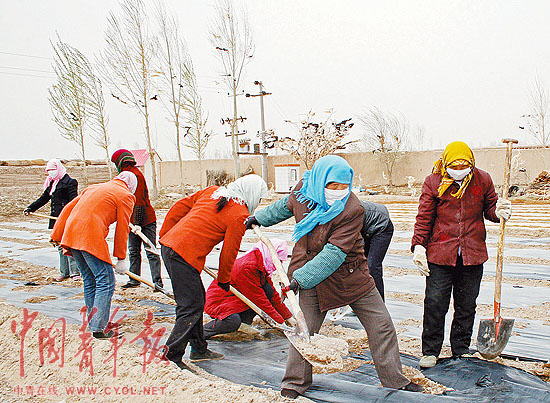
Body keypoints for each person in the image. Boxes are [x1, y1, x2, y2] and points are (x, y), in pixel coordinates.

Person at [246, 155, 422, 399]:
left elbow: (334, 254)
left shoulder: (352, 209)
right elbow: (285, 206)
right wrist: (258, 219)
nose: (339, 192)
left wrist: (300, 279)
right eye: (333, 186)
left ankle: (395, 380)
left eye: (344, 186)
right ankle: (295, 383)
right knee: (303, 330)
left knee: (381, 325)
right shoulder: (303, 191)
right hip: (308, 271)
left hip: (350, 275)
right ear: (320, 181)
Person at [411, 141, 512, 368]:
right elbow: (424, 217)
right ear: (446, 163)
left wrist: (500, 210)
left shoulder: (482, 179)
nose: (459, 169)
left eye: (464, 164)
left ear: (471, 164)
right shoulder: (433, 182)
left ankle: (461, 348)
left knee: (467, 304)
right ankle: (430, 351)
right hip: (440, 254)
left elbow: (491, 210)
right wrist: (419, 246)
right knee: (435, 302)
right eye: (454, 165)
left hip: (472, 253)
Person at [159, 174, 268, 370]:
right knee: (190, 307)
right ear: (251, 194)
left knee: (197, 299)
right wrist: (224, 280)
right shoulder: (239, 215)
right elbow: (229, 252)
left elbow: (179, 207)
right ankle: (171, 356)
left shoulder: (213, 192)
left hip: (172, 248)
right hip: (182, 255)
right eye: (258, 198)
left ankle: (199, 348)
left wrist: (166, 234)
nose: (257, 203)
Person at [50, 172, 137, 339]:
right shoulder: (126, 195)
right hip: (89, 236)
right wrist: (121, 257)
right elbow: (122, 228)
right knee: (106, 280)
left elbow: (68, 209)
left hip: (71, 234)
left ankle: (95, 323)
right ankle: (99, 327)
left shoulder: (94, 187)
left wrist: (56, 234)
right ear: (131, 186)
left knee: (89, 279)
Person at [203, 239, 293, 338]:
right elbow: (259, 299)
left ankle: (243, 325)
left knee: (267, 290)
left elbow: (272, 296)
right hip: (219, 301)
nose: (278, 265)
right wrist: (280, 322)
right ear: (270, 255)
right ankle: (201, 333)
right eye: (278, 261)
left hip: (237, 299)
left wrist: (288, 317)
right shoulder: (248, 266)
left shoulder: (261, 264)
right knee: (232, 321)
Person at [111, 149, 162, 291]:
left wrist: (138, 224)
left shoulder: (135, 175)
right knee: (133, 250)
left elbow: (138, 201)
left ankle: (157, 283)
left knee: (150, 249)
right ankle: (134, 279)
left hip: (145, 220)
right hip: (132, 220)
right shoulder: (125, 175)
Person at [24, 159, 79, 281]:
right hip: (55, 219)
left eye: (53, 170)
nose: (51, 173)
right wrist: (31, 208)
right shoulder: (52, 183)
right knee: (59, 245)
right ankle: (64, 272)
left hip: (66, 218)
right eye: (48, 171)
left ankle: (75, 273)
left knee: (68, 244)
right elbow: (44, 198)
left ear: (58, 169)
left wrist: (67, 215)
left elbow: (73, 201)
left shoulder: (70, 182)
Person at [360, 201, 393, 300]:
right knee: (360, 266)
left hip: (382, 226)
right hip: (366, 227)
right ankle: (363, 304)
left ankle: (379, 305)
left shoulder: (349, 212)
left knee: (372, 266)